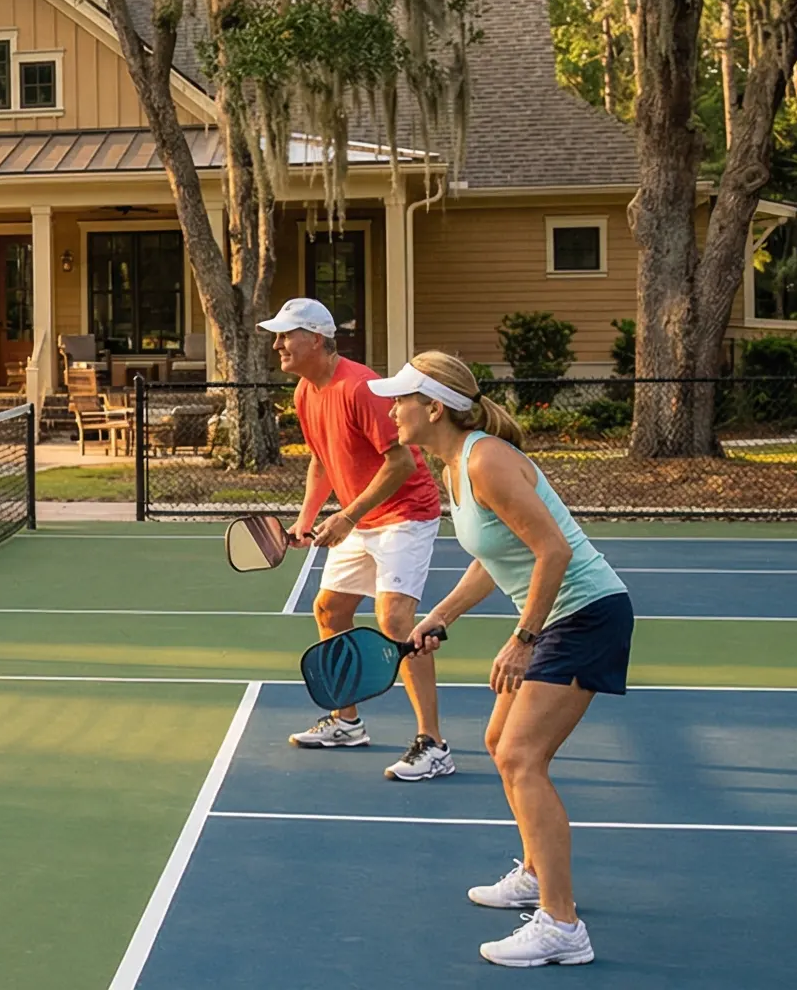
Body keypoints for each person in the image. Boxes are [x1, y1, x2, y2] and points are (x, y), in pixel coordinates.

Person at [380, 352, 634, 969]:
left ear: (433, 407)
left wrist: (523, 639)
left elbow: (551, 552)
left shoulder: (485, 459)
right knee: (500, 741)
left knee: (522, 757)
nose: (393, 411)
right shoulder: (453, 468)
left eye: (402, 400)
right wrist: (440, 615)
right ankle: (534, 871)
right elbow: (494, 554)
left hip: (587, 615)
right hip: (561, 618)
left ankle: (561, 926)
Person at [258, 297, 455, 781]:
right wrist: (306, 518)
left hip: (405, 514)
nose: (278, 344)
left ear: (319, 340)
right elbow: (323, 459)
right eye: (277, 335)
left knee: (394, 619)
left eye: (287, 335)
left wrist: (346, 516)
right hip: (362, 518)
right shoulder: (307, 392)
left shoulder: (360, 387)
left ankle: (433, 744)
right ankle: (347, 722)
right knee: (330, 609)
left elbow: (402, 462)